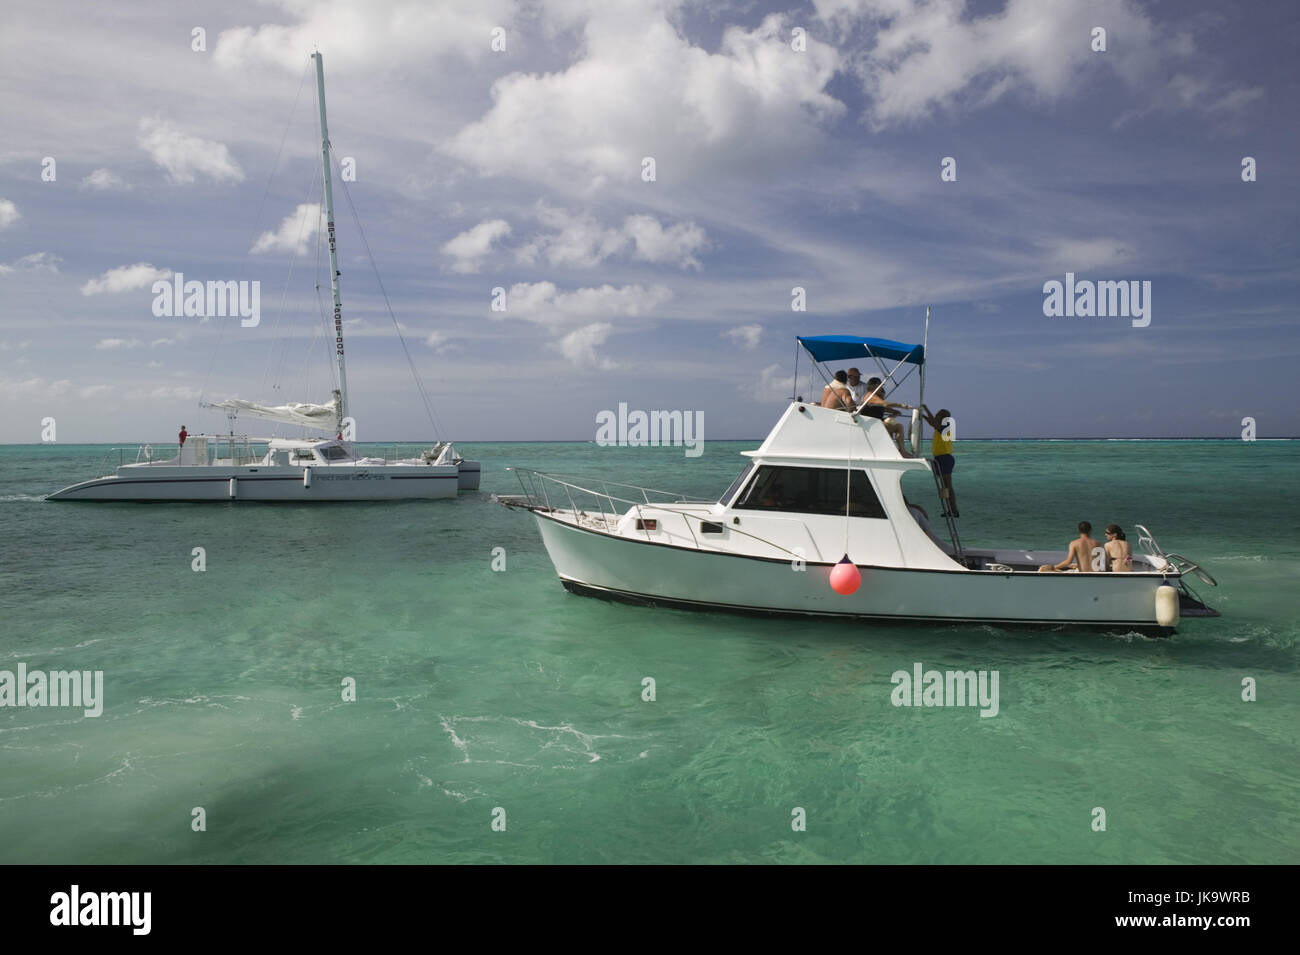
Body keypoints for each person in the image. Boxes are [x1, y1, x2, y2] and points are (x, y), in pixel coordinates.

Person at [920, 405, 957, 517]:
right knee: (944, 486)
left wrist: (926, 410)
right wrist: (924, 416)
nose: (935, 416)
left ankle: (954, 510)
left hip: (945, 458)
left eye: (937, 415)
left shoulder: (947, 424)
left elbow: (933, 423)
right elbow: (933, 423)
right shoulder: (940, 426)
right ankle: (950, 510)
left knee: (948, 485)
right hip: (940, 458)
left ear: (943, 417)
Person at [856, 377, 910, 452]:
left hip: (876, 422)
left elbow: (881, 407)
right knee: (898, 427)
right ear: (876, 386)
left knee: (891, 426)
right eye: (880, 386)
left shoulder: (873, 397)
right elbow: (885, 404)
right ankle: (903, 451)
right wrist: (901, 405)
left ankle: (890, 450)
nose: (881, 388)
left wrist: (894, 411)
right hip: (871, 424)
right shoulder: (870, 395)